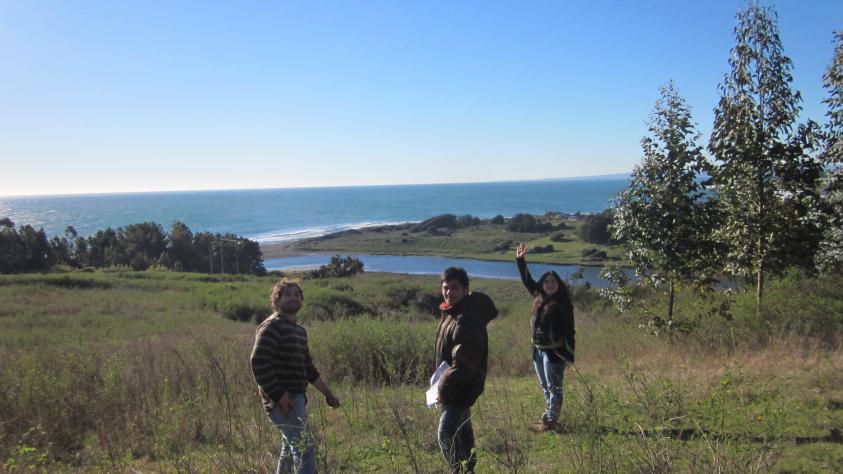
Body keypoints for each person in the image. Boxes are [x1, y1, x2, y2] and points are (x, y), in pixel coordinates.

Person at [250, 279, 341, 474]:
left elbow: (308, 369)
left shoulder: (300, 331)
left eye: (297, 294)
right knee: (304, 449)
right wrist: (278, 395)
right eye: (288, 294)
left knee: (290, 450)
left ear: (301, 300)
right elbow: (258, 362)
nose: (293, 298)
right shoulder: (272, 326)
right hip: (282, 400)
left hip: (297, 398)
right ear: (277, 300)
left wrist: (328, 394)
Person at [435, 266, 498, 473]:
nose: (448, 292)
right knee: (463, 433)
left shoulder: (467, 319)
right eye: (445, 288)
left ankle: (461, 471)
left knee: (445, 434)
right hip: (458, 385)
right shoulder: (453, 313)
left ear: (465, 289)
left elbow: (463, 364)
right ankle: (468, 469)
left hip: (459, 386)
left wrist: (442, 389)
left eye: (454, 288)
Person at [515, 242, 576, 432]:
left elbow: (569, 331)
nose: (549, 285)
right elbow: (527, 280)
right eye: (547, 282)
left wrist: (569, 355)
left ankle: (550, 422)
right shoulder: (539, 297)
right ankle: (549, 417)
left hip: (554, 353)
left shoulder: (563, 304)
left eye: (553, 282)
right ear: (543, 284)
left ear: (558, 285)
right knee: (544, 385)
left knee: (554, 387)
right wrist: (520, 260)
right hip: (538, 351)